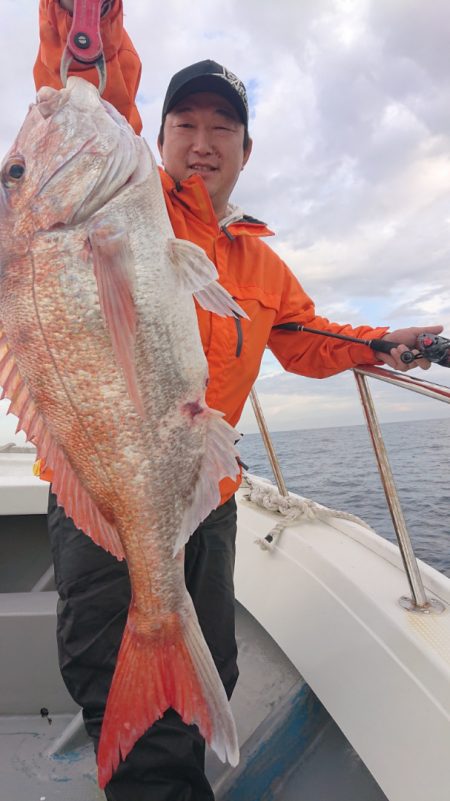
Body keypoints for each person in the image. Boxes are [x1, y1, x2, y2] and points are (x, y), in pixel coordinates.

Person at [33, 2, 442, 800]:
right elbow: (84, 99)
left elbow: (306, 336)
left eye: (222, 128)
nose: (201, 140)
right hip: (110, 491)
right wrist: (84, 19)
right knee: (113, 668)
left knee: (206, 656)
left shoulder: (260, 265)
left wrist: (386, 341)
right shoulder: (122, 204)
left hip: (208, 495)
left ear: (247, 151)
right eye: (183, 122)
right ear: (154, 140)